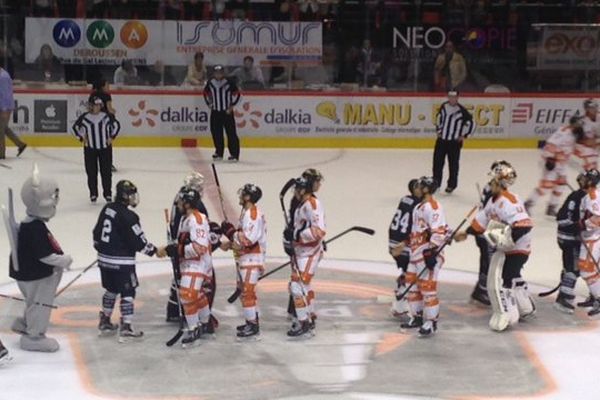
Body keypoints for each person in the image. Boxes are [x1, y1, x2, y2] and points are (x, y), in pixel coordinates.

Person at [454, 163, 536, 331]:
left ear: (500, 183)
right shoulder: (493, 201)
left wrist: (508, 240)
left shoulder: (509, 201)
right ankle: (526, 308)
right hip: (510, 246)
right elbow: (481, 220)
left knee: (507, 277)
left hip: (520, 245)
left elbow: (524, 225)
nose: (489, 184)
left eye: (492, 181)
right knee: (513, 275)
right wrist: (467, 233)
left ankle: (510, 316)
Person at [9, 165, 72, 352]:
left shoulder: (31, 224)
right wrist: (64, 260)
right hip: (36, 275)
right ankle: (34, 337)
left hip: (30, 274)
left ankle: (27, 323)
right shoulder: (34, 228)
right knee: (40, 303)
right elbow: (44, 256)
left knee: (34, 301)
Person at [93, 180, 161, 342]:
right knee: (128, 291)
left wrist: (102, 249)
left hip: (103, 260)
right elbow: (138, 242)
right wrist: (155, 251)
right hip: (122, 263)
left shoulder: (107, 208)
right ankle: (126, 327)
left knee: (110, 289)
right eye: (131, 194)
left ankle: (105, 320)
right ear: (124, 195)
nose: (133, 197)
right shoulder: (129, 216)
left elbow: (96, 233)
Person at [158, 188, 216, 348]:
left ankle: (194, 329)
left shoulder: (196, 219)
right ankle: (205, 323)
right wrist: (175, 247)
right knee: (199, 295)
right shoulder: (187, 218)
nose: (178, 204)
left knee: (187, 295)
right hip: (191, 263)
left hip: (197, 263)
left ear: (188, 203)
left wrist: (176, 249)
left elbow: (199, 247)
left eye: (181, 201)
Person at [164, 172, 219, 328]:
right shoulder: (196, 207)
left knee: (181, 281)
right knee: (202, 287)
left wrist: (175, 248)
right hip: (190, 255)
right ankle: (201, 319)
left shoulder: (179, 197)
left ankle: (175, 311)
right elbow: (201, 241)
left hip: (181, 249)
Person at [401, 176, 448, 337]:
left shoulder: (433, 207)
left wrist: (431, 252)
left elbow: (438, 231)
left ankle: (431, 322)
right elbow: (417, 230)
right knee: (412, 285)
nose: (417, 189)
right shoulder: (419, 207)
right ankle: (417, 317)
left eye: (420, 186)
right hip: (416, 253)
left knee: (428, 289)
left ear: (427, 189)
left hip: (428, 253)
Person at [221, 184, 267, 340]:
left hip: (252, 259)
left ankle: (253, 326)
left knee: (248, 293)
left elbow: (247, 239)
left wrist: (231, 232)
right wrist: (230, 240)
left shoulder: (252, 214)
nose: (240, 196)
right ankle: (251, 321)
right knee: (245, 293)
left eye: (243, 194)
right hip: (246, 259)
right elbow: (241, 239)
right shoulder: (247, 213)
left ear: (248, 197)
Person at [284, 176, 326, 339]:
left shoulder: (312, 205)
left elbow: (318, 231)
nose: (294, 192)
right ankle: (309, 316)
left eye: (297, 189)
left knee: (297, 287)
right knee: (303, 287)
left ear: (303, 190)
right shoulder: (303, 204)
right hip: (301, 252)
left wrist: (295, 234)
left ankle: (304, 323)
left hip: (309, 253)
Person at [469, 160, 514, 307]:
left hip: (486, 229)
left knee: (487, 261)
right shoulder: (493, 190)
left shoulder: (492, 187)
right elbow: (493, 213)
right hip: (487, 230)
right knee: (489, 262)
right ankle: (482, 291)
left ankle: (480, 290)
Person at [524, 116, 584, 216]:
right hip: (552, 162)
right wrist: (549, 159)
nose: (580, 127)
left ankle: (551, 207)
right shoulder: (564, 133)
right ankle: (527, 204)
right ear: (573, 124)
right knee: (546, 187)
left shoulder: (574, 134)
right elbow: (550, 145)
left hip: (561, 164)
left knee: (560, 186)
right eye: (578, 125)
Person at [73, 96, 120, 203]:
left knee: (106, 172)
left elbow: (116, 126)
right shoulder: (85, 118)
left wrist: (111, 137)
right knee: (91, 172)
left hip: (105, 149)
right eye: (95, 105)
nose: (97, 107)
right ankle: (93, 193)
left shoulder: (107, 116)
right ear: (90, 106)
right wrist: (81, 137)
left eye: (99, 105)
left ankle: (107, 193)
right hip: (90, 149)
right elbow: (75, 128)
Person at [554, 173, 588, 314]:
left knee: (570, 266)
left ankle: (565, 293)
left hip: (567, 238)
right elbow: (561, 218)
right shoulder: (578, 197)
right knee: (573, 268)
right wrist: (579, 226)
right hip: (570, 239)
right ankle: (563, 297)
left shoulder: (580, 196)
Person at [388, 178, 421, 319]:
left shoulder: (404, 199)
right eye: (419, 187)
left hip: (393, 241)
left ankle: (402, 298)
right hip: (403, 244)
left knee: (407, 270)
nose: (422, 189)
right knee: (413, 272)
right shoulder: (419, 206)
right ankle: (400, 303)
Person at [432, 90, 475, 194]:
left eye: (454, 97)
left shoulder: (462, 110)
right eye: (450, 96)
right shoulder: (443, 107)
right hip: (442, 141)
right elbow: (438, 119)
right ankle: (436, 183)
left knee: (453, 165)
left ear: (457, 98)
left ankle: (451, 185)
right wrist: (438, 131)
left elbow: (471, 123)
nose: (452, 99)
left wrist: (465, 136)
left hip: (454, 143)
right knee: (437, 163)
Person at [575, 169, 600, 317]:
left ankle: (598, 298)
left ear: (590, 181)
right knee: (591, 270)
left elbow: (598, 219)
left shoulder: (592, 197)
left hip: (593, 238)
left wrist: (583, 225)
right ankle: (594, 295)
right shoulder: (589, 196)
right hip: (591, 237)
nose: (581, 180)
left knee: (587, 270)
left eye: (585, 179)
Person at [203, 65, 241, 162]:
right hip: (215, 112)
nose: (218, 74)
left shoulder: (229, 82)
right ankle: (219, 152)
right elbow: (206, 93)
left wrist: (232, 106)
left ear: (223, 73)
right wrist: (209, 104)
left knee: (231, 133)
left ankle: (234, 154)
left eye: (220, 72)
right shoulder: (211, 82)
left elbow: (237, 94)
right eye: (216, 72)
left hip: (227, 112)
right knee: (216, 132)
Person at [89, 78, 118, 172]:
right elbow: (109, 109)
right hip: (105, 122)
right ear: (102, 86)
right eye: (107, 85)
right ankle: (108, 164)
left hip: (94, 122)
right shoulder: (106, 95)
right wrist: (114, 112)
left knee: (95, 144)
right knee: (106, 145)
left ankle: (94, 164)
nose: (108, 86)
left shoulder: (92, 95)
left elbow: (89, 109)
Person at [0, 61, 27, 159]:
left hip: (4, 107)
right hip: (4, 106)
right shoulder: (3, 75)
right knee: (4, 129)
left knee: (0, 130)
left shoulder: (3, 77)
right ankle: (20, 144)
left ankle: (1, 154)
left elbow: (5, 95)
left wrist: (3, 110)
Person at [574, 99, 600, 171]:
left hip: (595, 145)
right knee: (592, 172)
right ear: (587, 109)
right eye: (592, 108)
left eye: (596, 107)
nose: (595, 109)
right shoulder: (582, 122)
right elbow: (586, 142)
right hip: (585, 149)